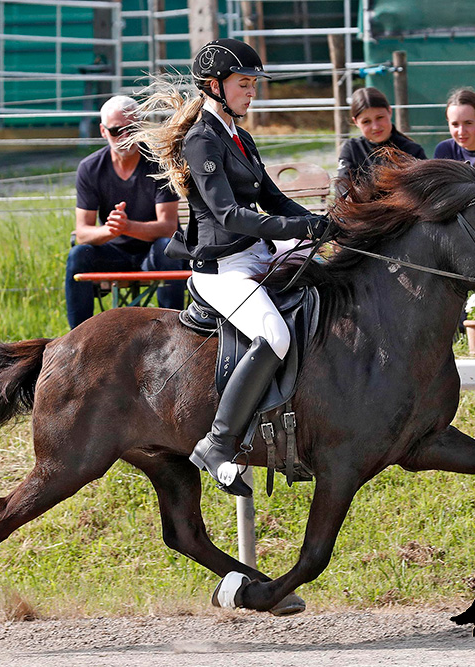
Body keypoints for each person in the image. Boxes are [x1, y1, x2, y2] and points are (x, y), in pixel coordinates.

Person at [133, 38, 328, 497]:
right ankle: (218, 444)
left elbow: (272, 198)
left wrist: (317, 222)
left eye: (253, 83)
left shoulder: (240, 136)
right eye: (244, 83)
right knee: (274, 336)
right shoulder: (201, 138)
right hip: (223, 270)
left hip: (257, 254)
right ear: (215, 86)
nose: (252, 91)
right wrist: (295, 225)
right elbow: (228, 214)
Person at [65, 95, 185, 329]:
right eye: (116, 131)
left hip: (153, 253)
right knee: (78, 255)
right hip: (113, 253)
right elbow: (82, 232)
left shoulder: (159, 163)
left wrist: (127, 226)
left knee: (166, 248)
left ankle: (176, 330)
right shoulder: (90, 168)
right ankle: (78, 338)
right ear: (102, 131)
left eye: (132, 129)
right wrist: (110, 230)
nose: (125, 137)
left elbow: (168, 226)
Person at [336, 87, 426, 189]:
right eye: (366, 121)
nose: (375, 127)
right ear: (356, 122)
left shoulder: (413, 151)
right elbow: (342, 187)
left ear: (390, 111)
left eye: (379, 118)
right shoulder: (352, 149)